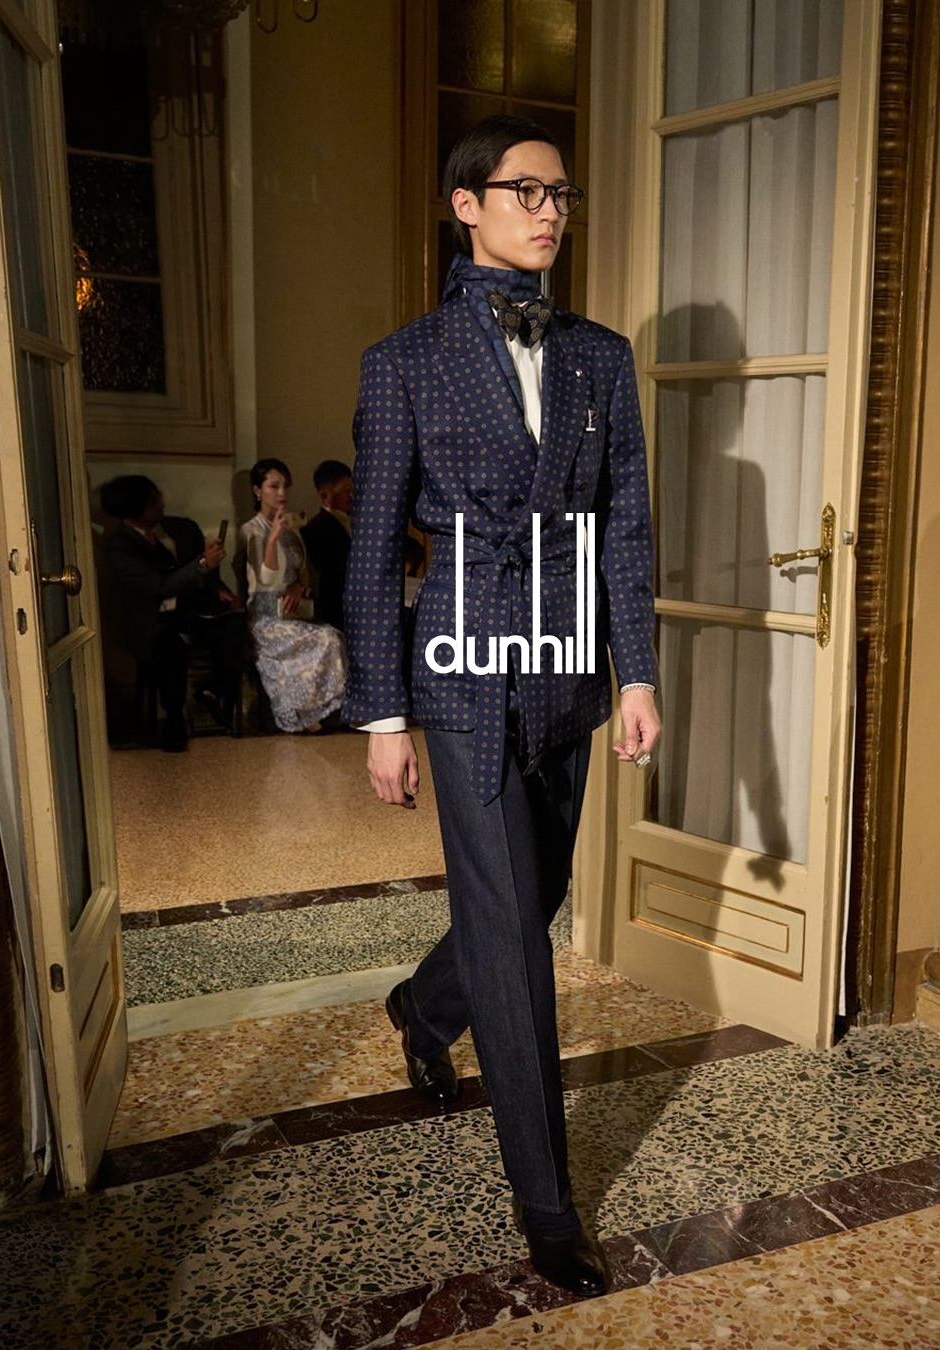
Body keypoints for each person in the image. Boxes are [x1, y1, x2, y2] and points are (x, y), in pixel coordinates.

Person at [343, 115, 661, 1298]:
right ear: (465, 204)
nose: (550, 211)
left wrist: (636, 672)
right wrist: (383, 716)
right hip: (466, 670)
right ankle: (548, 1205)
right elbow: (374, 547)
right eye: (527, 191)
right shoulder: (404, 361)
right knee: (519, 947)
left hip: (569, 667)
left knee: (538, 894)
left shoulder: (600, 356)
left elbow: (624, 524)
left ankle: (424, 1010)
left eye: (561, 193)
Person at [100, 474, 245, 752]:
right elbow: (158, 586)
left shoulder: (182, 528)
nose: (161, 505)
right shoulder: (119, 546)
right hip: (153, 618)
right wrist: (202, 564)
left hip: (193, 610)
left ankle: (214, 691)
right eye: (153, 503)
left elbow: (204, 576)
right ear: (134, 510)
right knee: (168, 644)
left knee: (235, 624)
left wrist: (217, 587)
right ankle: (174, 717)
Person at [241, 458, 347, 733]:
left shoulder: (293, 530)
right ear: (258, 490)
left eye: (284, 486)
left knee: (334, 636)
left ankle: (324, 710)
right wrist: (273, 539)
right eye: (273, 486)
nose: (281, 493)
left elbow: (303, 573)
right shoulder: (251, 530)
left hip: (295, 612)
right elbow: (265, 578)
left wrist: (299, 587)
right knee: (326, 638)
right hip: (267, 617)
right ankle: (305, 713)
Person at [300, 459, 353, 630]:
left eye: (353, 490)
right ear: (325, 496)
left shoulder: (359, 521)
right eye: (346, 491)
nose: (352, 496)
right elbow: (331, 573)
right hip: (338, 608)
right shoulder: (315, 529)